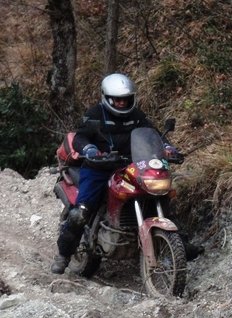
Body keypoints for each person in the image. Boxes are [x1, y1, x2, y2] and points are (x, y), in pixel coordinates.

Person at [50, 73, 203, 274]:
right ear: (107, 97)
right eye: (117, 99)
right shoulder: (95, 114)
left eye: (125, 99)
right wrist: (89, 149)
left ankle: (178, 241)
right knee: (81, 213)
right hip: (98, 168)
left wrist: (168, 147)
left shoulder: (137, 117)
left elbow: (153, 135)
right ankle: (63, 255)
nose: (121, 103)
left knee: (160, 193)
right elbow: (81, 137)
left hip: (131, 166)